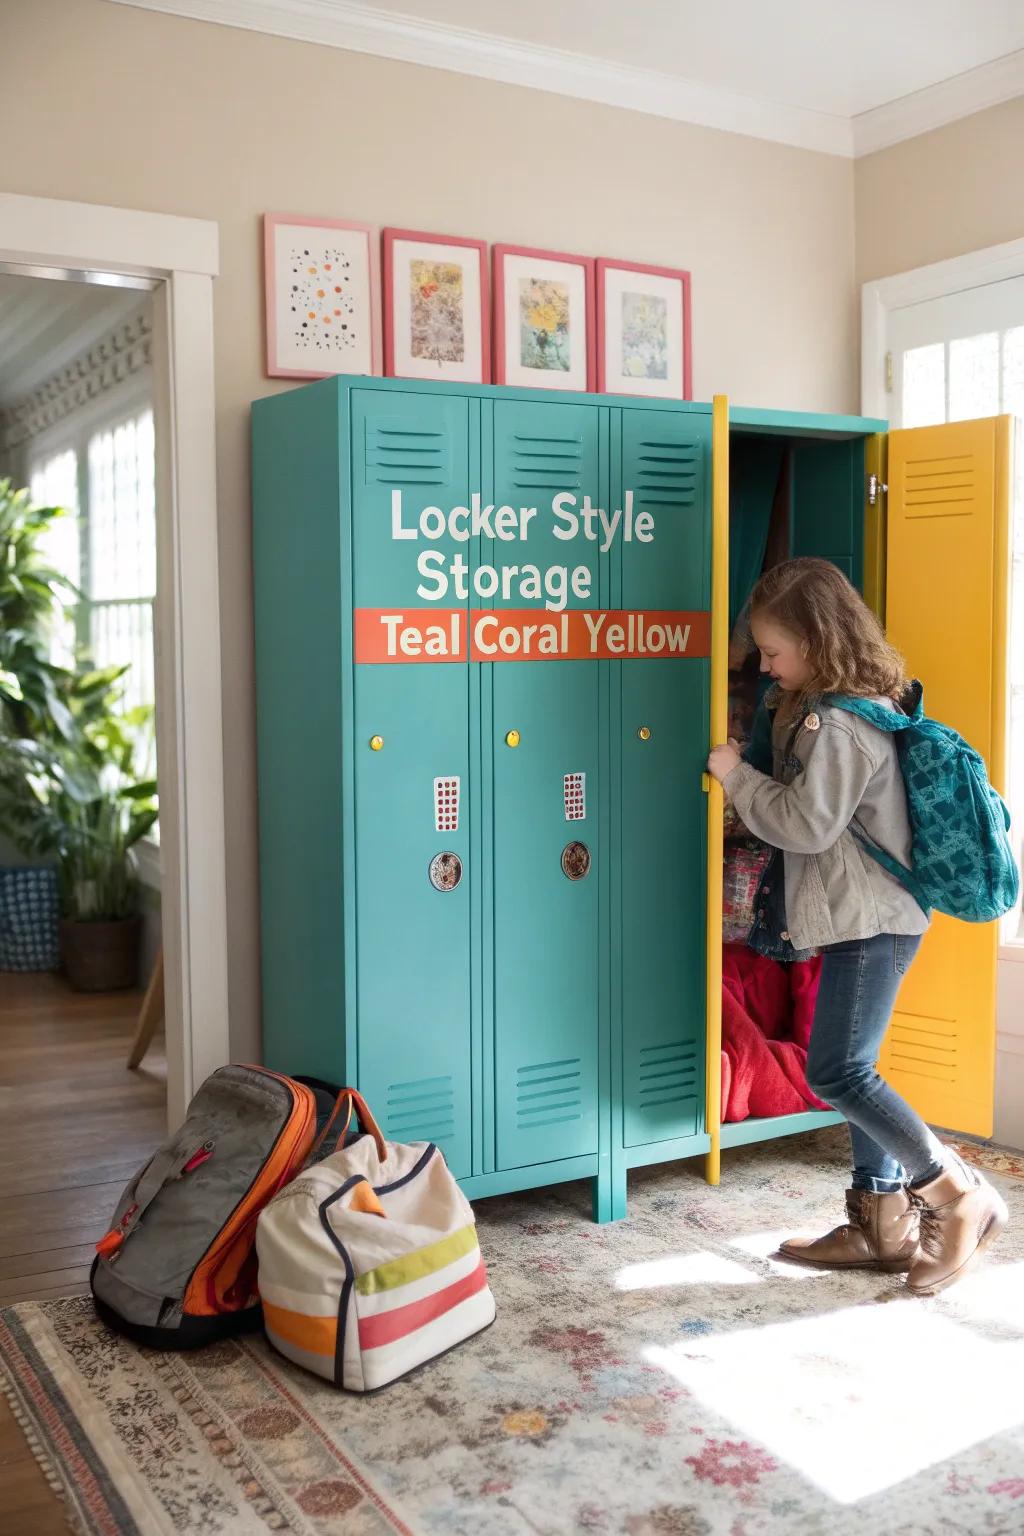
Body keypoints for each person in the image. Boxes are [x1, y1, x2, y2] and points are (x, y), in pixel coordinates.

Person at [707, 557, 1008, 1297]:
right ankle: (881, 1224)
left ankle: (954, 1193)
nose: (765, 667)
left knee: (839, 1072)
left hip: (875, 922)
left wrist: (735, 774)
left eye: (773, 651)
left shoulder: (840, 722)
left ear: (815, 641)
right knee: (855, 1066)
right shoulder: (832, 705)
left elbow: (807, 826)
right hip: (861, 918)